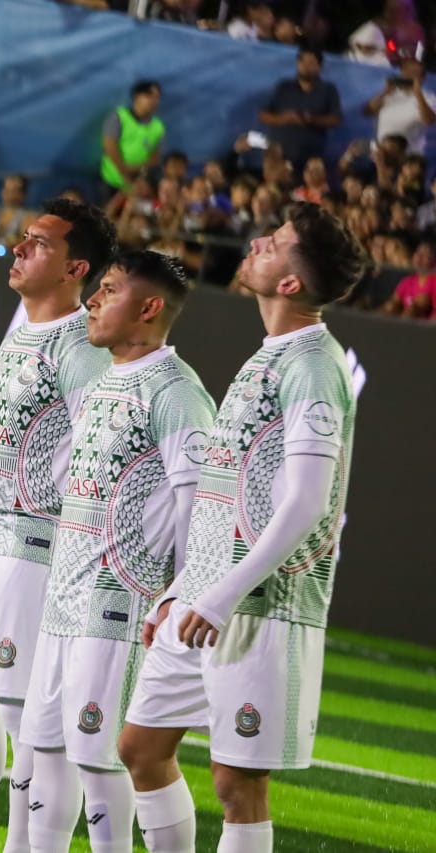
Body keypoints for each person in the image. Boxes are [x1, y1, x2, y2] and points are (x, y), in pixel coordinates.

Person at [119, 204, 366, 853]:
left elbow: (307, 501)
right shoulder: (271, 355)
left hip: (260, 606)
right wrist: (183, 589)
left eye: (275, 243)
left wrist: (221, 596)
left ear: (290, 282)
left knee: (237, 783)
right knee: (140, 748)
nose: (256, 243)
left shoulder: (313, 364)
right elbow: (225, 491)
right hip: (203, 598)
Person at [0, 198, 114, 853]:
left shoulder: (84, 350)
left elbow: (99, 462)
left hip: (33, 552)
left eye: (39, 243)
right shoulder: (20, 329)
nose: (20, 248)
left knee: (26, 719)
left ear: (76, 268)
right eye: (23, 238)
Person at [19, 251, 215, 853]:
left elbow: (201, 510)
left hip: (118, 608)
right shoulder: (104, 378)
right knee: (45, 754)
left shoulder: (176, 393)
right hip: (62, 604)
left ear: (149, 307)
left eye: (108, 289)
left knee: (101, 762)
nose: (92, 300)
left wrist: (176, 594)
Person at [259, 47, 342, 172]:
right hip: (280, 157)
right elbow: (263, 115)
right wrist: (284, 119)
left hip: (311, 161)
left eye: (311, 63)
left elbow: (336, 119)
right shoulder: (283, 87)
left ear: (319, 66)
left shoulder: (328, 90)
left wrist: (312, 119)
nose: (306, 66)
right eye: (302, 61)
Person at [101, 81, 164, 199]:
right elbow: (109, 146)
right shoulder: (119, 117)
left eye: (157, 97)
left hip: (140, 186)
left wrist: (138, 171)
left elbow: (156, 157)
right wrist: (126, 174)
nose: (154, 101)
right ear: (136, 96)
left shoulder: (158, 127)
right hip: (112, 182)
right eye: (149, 96)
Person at [364, 56, 435, 156]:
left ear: (423, 77)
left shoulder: (429, 98)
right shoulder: (389, 93)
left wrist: (418, 94)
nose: (410, 76)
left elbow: (428, 121)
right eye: (408, 72)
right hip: (381, 153)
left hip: (409, 156)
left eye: (415, 73)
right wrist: (385, 92)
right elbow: (367, 112)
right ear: (401, 73)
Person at [382, 236, 435, 317]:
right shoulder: (407, 281)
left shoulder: (433, 281)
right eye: (417, 251)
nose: (419, 256)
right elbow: (392, 303)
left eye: (425, 254)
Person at [0, 175, 32, 248]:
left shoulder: (27, 217)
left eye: (14, 191)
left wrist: (12, 242)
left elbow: (25, 241)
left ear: (22, 194)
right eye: (6, 189)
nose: (8, 194)